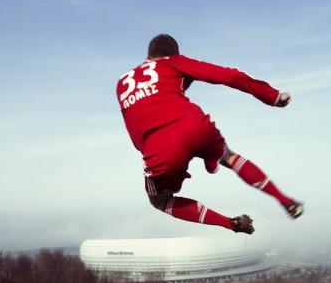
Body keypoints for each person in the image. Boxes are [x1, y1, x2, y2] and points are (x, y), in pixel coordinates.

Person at [116, 34, 303, 235]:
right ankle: (288, 202)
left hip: (158, 146)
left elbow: (134, 125)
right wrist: (273, 97)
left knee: (160, 201)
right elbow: (229, 75)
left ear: (149, 54)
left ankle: (230, 223)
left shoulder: (122, 82)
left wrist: (155, 155)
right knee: (229, 156)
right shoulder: (173, 62)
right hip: (194, 125)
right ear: (173, 54)